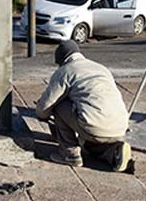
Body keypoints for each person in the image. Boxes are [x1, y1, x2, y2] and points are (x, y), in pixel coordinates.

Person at [35, 40, 131, 171]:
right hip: (120, 126)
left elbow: (44, 107)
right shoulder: (100, 68)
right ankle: (115, 152)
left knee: (59, 105)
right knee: (89, 143)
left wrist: (44, 116)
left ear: (62, 59)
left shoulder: (65, 71)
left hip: (93, 125)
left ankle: (70, 154)